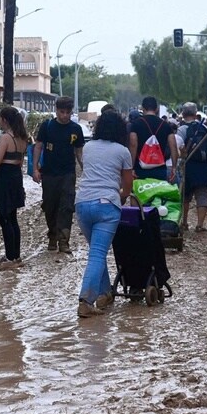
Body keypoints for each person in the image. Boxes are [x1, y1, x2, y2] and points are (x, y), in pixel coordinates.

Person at [74, 111, 133, 317]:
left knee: (95, 252)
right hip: (107, 205)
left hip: (82, 204)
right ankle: (86, 300)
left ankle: (105, 293)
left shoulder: (88, 147)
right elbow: (127, 184)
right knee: (98, 253)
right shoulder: (122, 151)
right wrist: (123, 197)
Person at [32, 96, 85, 254]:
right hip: (49, 173)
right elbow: (38, 147)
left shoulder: (76, 129)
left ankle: (64, 240)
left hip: (68, 173)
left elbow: (79, 152)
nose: (64, 115)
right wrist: (35, 168)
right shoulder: (47, 126)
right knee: (50, 205)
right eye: (62, 112)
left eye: (68, 112)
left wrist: (85, 170)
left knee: (67, 206)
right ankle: (52, 234)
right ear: (56, 111)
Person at [0, 106, 28, 270]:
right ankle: (15, 255)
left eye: (1, 119)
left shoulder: (6, 138)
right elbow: (20, 162)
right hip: (16, 177)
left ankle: (10, 257)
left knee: (5, 218)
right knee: (13, 218)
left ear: (5, 120)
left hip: (4, 179)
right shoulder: (22, 137)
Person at [177, 102, 207, 232]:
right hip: (204, 168)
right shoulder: (205, 129)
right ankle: (200, 225)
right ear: (196, 114)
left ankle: (184, 223)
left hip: (188, 167)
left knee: (185, 196)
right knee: (202, 195)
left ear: (183, 114)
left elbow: (179, 148)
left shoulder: (182, 129)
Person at [128, 96, 178, 183]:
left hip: (140, 169)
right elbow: (173, 146)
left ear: (143, 108)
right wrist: (174, 167)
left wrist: (131, 167)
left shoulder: (136, 125)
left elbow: (133, 145)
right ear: (157, 109)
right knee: (159, 193)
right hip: (160, 169)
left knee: (140, 195)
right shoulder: (166, 125)